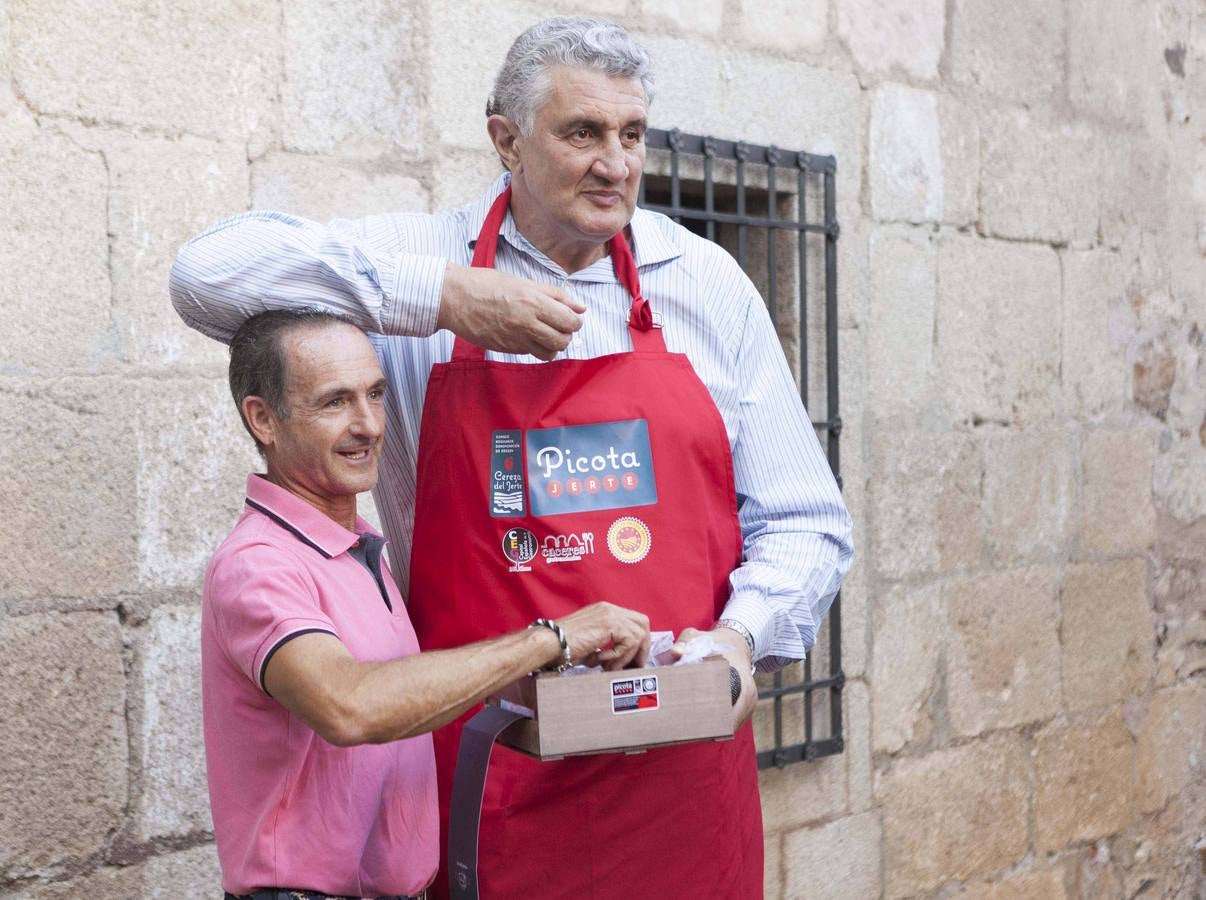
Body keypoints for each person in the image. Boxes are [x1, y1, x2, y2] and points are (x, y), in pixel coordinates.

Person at [175, 16, 853, 898]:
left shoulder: (706, 283)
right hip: (489, 781)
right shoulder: (425, 265)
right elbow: (205, 273)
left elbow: (805, 519)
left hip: (681, 781)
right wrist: (441, 298)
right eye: (582, 133)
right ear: (506, 140)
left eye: (633, 135)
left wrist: (738, 639)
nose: (616, 164)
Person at [202, 309, 652, 899]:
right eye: (335, 402)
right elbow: (350, 706)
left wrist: (557, 676)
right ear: (263, 419)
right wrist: (551, 637)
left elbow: (401, 696)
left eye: (376, 394)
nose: (368, 424)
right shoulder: (259, 564)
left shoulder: (358, 548)